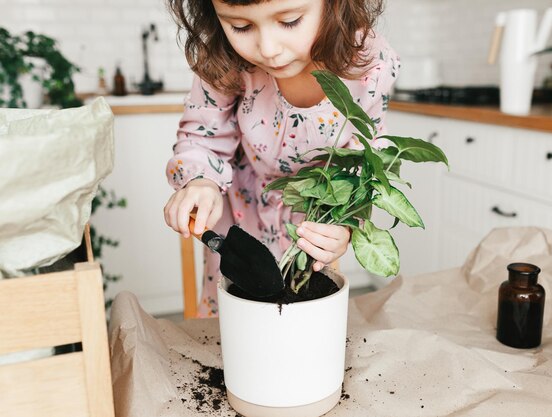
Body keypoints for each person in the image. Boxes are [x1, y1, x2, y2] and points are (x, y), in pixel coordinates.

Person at [164, 0, 400, 317]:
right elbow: (202, 135)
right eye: (241, 26)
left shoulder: (369, 63)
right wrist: (200, 181)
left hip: (312, 226)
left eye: (289, 21)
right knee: (235, 320)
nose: (269, 49)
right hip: (241, 219)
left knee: (303, 321)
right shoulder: (225, 58)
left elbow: (363, 160)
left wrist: (344, 227)